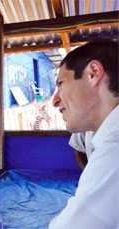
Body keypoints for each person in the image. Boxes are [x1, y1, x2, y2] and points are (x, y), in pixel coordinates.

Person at [50, 39, 119, 228]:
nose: (54, 100)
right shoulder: (103, 133)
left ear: (93, 73)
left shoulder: (114, 151)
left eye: (61, 84)